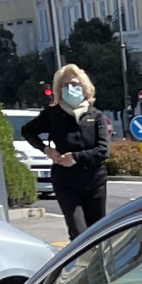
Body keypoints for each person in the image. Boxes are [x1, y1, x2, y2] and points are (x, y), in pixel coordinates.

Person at [21, 64, 111, 237]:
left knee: (98, 231)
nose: (71, 88)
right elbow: (28, 131)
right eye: (65, 85)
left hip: (94, 181)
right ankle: (82, 262)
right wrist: (47, 150)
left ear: (85, 88)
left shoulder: (96, 115)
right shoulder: (53, 114)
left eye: (76, 84)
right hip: (65, 181)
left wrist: (75, 157)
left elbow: (103, 150)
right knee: (78, 231)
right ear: (58, 89)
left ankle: (100, 263)